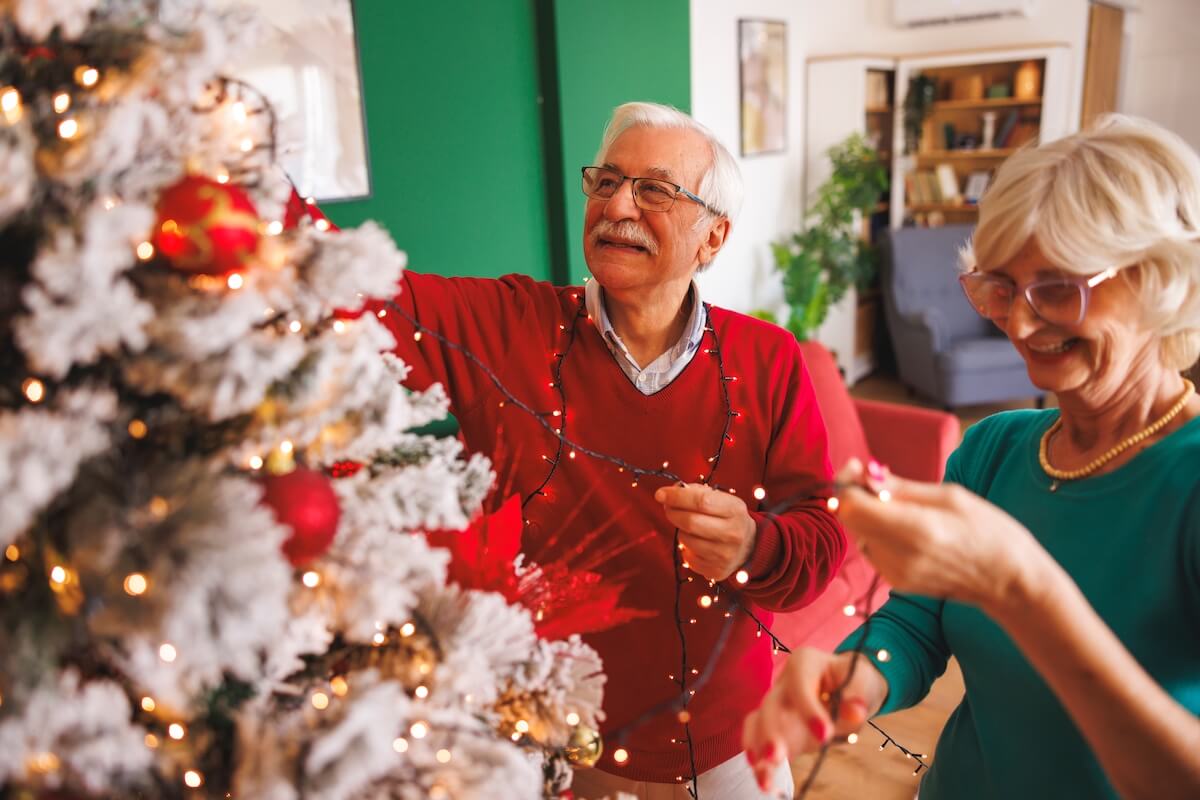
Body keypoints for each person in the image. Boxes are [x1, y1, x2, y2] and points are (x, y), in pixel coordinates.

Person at [374, 102, 845, 798]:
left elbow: (821, 540)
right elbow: (363, 293)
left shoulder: (767, 358)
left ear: (712, 238)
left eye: (655, 189)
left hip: (726, 745)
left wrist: (753, 547)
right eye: (605, 182)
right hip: (552, 742)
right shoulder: (515, 327)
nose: (618, 204)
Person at [743, 114, 1200, 799]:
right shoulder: (994, 448)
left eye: (1056, 287)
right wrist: (854, 677)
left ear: (1160, 278)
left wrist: (1023, 590)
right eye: (1001, 287)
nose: (1018, 323)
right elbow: (920, 617)